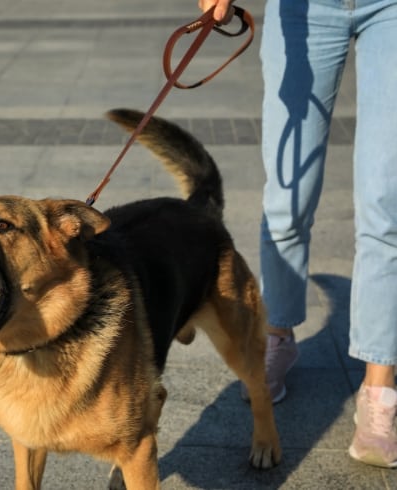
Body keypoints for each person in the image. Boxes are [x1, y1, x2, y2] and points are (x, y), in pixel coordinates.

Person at [198, 0, 397, 468]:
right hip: (304, 10)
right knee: (286, 202)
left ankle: (379, 389)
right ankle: (278, 335)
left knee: (386, 205)